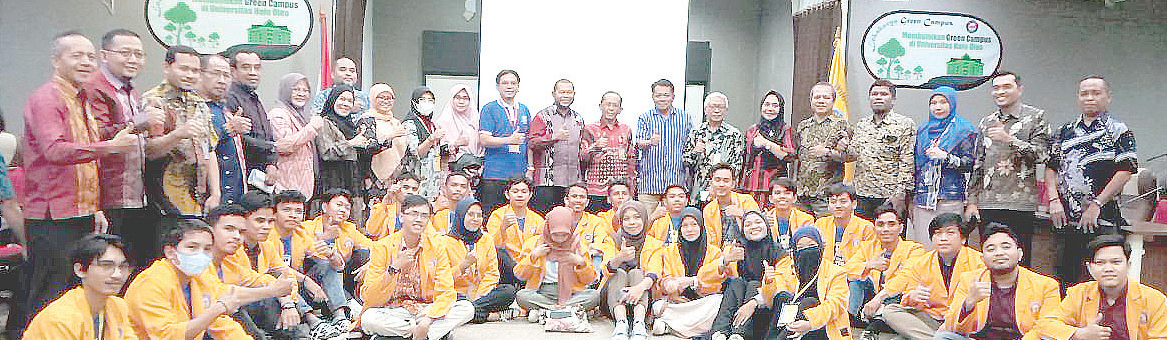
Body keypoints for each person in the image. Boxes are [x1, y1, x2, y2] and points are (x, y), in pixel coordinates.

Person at [19, 32, 139, 334]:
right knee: (48, 293)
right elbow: (55, 150)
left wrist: (95, 206)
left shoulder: (81, 96)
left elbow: (87, 161)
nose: (85, 62)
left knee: (74, 289)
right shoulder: (47, 99)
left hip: (80, 210)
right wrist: (109, 147)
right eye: (76, 56)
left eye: (89, 56)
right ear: (56, 61)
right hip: (51, 213)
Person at [1046, 75, 1136, 289]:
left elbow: (1126, 170)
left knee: (1103, 279)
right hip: (1065, 220)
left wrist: (1096, 204)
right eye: (1084, 93)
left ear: (1108, 97)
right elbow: (1051, 167)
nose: (1089, 98)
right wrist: (1053, 200)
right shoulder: (1064, 131)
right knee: (1064, 278)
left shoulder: (1118, 131)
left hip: (1102, 220)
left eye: (1096, 93)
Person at [124, 219, 273, 339]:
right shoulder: (151, 283)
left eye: (207, 249)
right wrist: (218, 309)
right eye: (192, 247)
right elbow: (167, 336)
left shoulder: (200, 279)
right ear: (171, 252)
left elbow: (221, 324)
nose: (201, 255)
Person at [965, 72, 1050, 269]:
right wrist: (972, 201)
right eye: (996, 88)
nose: (1000, 92)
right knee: (989, 258)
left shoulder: (1036, 117)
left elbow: (1042, 156)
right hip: (988, 202)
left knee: (1018, 258)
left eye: (1006, 86)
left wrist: (1010, 140)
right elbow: (978, 163)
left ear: (1019, 90)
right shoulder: (986, 122)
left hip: (1019, 203)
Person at [360, 195, 475, 340]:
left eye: (424, 215)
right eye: (414, 214)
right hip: (393, 310)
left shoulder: (436, 246)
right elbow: (369, 296)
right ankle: (426, 334)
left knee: (467, 308)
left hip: (425, 308)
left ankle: (411, 334)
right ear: (401, 217)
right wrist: (394, 268)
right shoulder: (382, 247)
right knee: (368, 318)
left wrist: (428, 320)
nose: (419, 219)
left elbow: (446, 290)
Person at [87, 29, 155, 268]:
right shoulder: (95, 88)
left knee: (129, 261)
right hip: (107, 194)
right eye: (125, 53)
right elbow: (95, 138)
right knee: (105, 262)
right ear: (104, 55)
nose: (133, 60)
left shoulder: (130, 90)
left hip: (133, 194)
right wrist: (142, 121)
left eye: (139, 54)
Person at [863, 213, 985, 340]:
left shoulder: (978, 261)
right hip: (933, 320)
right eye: (938, 234)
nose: (943, 238)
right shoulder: (922, 262)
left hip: (964, 321)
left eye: (950, 233)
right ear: (931, 239)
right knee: (890, 311)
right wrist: (913, 297)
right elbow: (908, 293)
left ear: (963, 238)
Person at [934, 223, 1061, 340]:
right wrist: (969, 303)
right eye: (991, 249)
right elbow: (951, 326)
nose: (999, 253)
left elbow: (1047, 327)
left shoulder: (1046, 285)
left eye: (1006, 247)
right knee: (943, 338)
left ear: (1020, 254)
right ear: (983, 259)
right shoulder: (969, 280)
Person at [141, 45, 221, 221]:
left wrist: (215, 193)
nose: (190, 75)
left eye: (195, 70)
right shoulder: (152, 101)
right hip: (162, 197)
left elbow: (210, 150)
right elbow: (148, 151)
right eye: (184, 69)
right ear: (166, 68)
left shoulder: (199, 104)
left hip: (198, 198)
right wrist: (178, 134)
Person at [1037, 234, 1167, 340]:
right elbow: (1046, 325)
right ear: (1090, 268)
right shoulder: (1079, 293)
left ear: (1128, 265)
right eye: (1100, 263)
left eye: (1116, 262)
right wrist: (1078, 334)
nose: (1108, 269)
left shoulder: (1154, 300)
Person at [204, 205, 298, 339]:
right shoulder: (197, 264)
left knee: (269, 299)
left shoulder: (229, 265)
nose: (236, 236)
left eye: (241, 232)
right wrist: (272, 291)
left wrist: (288, 304)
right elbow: (222, 294)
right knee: (235, 307)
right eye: (229, 229)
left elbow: (267, 280)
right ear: (209, 231)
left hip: (221, 326)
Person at [24, 234, 135, 339]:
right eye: (106, 265)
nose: (117, 274)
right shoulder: (61, 319)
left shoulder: (118, 306)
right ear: (80, 270)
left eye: (123, 266)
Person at [910, 86, 976, 247]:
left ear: (952, 104)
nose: (938, 107)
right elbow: (915, 166)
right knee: (924, 247)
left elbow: (969, 164)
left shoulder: (964, 130)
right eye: (933, 103)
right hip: (922, 200)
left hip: (950, 199)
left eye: (943, 102)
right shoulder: (923, 130)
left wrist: (946, 157)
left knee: (950, 246)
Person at [841, 204, 924, 332]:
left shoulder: (914, 249)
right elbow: (846, 271)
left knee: (897, 294)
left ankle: (876, 323)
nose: (886, 229)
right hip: (870, 298)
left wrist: (878, 298)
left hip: (894, 298)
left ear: (901, 228)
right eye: (880, 225)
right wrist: (869, 266)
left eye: (891, 224)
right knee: (856, 281)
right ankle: (850, 319)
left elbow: (906, 278)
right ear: (874, 229)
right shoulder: (867, 247)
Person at [759, 227, 850, 340]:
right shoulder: (788, 269)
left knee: (809, 301)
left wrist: (810, 323)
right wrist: (768, 282)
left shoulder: (836, 272)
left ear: (820, 247)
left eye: (811, 246)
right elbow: (771, 302)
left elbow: (835, 305)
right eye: (801, 248)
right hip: (790, 323)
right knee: (782, 297)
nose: (807, 251)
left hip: (821, 326)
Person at [647, 207, 725, 338]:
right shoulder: (670, 251)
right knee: (658, 306)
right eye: (685, 225)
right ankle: (690, 328)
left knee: (718, 301)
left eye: (694, 224)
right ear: (680, 229)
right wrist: (671, 288)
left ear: (701, 226)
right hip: (678, 303)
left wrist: (694, 281)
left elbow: (716, 286)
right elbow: (665, 279)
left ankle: (672, 327)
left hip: (702, 302)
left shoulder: (714, 252)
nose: (689, 230)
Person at [297, 188, 372, 321]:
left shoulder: (348, 229)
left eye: (347, 207)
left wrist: (369, 264)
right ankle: (346, 311)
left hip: (338, 281)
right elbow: (309, 252)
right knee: (326, 266)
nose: (343, 210)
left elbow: (375, 247)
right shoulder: (307, 228)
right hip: (309, 283)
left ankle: (355, 304)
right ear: (325, 207)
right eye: (339, 205)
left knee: (365, 255)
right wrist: (324, 238)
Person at [514, 207, 601, 320]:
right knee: (521, 296)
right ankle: (566, 311)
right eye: (555, 235)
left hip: (572, 293)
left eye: (564, 235)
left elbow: (589, 280)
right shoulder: (534, 244)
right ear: (548, 229)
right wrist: (533, 257)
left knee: (594, 296)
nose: (560, 239)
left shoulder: (578, 246)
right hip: (543, 293)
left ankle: (546, 312)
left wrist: (581, 263)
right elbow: (519, 274)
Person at [844, 80, 915, 220]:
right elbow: (852, 155)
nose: (878, 97)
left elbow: (907, 161)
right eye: (874, 94)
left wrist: (900, 194)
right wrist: (843, 147)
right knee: (864, 239)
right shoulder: (862, 124)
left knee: (891, 238)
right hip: (862, 194)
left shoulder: (905, 124)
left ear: (893, 100)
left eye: (883, 94)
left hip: (890, 196)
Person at [708, 211, 784, 340]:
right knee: (736, 282)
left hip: (765, 309)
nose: (754, 226)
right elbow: (705, 277)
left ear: (766, 225)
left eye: (758, 222)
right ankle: (719, 332)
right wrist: (726, 261)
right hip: (737, 305)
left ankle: (739, 334)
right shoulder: (736, 250)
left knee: (754, 284)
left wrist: (754, 302)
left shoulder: (778, 252)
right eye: (748, 224)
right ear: (743, 230)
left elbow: (785, 283)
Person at [442, 198, 517, 323]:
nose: (475, 219)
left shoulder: (486, 238)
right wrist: (463, 266)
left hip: (482, 293)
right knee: (446, 299)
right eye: (470, 214)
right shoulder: (444, 242)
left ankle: (470, 312)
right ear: (460, 216)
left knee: (508, 292)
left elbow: (492, 274)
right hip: (456, 293)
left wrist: (477, 296)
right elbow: (442, 278)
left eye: (479, 215)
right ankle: (488, 315)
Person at [603, 201, 665, 340]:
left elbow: (654, 272)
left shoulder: (654, 243)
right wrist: (620, 257)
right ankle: (621, 324)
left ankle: (638, 324)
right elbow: (606, 269)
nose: (632, 222)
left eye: (637, 217)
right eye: (626, 219)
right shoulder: (612, 240)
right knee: (619, 273)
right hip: (613, 300)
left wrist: (638, 288)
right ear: (621, 222)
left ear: (644, 219)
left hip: (642, 299)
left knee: (637, 273)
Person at [529, 79, 585, 216]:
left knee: (567, 221)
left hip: (572, 182)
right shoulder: (542, 116)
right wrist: (554, 137)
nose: (565, 96)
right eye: (562, 92)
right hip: (547, 181)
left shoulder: (578, 118)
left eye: (569, 92)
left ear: (574, 94)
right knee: (544, 221)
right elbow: (532, 143)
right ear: (554, 94)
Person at [634, 79, 692, 212]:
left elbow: (690, 144)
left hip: (675, 184)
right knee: (647, 224)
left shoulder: (684, 118)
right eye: (658, 95)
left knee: (673, 226)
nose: (662, 99)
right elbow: (639, 143)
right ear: (653, 97)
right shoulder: (645, 117)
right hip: (650, 184)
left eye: (666, 95)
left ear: (673, 97)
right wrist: (650, 142)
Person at [199, 54, 249, 206]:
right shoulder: (193, 107)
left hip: (232, 195)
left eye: (226, 75)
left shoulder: (224, 108)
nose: (222, 80)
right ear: (199, 74)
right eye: (215, 74)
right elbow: (202, 148)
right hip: (207, 197)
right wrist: (227, 131)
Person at [224, 51, 278, 191]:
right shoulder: (229, 97)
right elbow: (236, 138)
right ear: (232, 71)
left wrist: (271, 163)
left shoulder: (254, 98)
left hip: (260, 178)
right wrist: (269, 146)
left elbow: (267, 135)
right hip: (237, 177)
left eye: (257, 68)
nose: (253, 72)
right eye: (246, 67)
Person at [795, 83, 850, 218]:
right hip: (802, 194)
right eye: (817, 97)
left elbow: (852, 155)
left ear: (833, 101)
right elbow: (798, 158)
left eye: (826, 97)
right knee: (802, 233)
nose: (820, 101)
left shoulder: (842, 125)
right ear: (811, 100)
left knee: (825, 234)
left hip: (827, 196)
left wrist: (827, 153)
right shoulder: (803, 126)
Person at [478, 70, 529, 213]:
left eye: (513, 83)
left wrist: (530, 168)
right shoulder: (489, 108)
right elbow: (484, 140)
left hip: (518, 175)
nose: (509, 86)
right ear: (497, 86)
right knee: (493, 216)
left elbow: (528, 141)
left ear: (518, 87)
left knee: (516, 216)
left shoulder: (524, 110)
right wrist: (509, 140)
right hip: (495, 174)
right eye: (505, 83)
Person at [269, 73, 325, 199]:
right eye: (296, 89)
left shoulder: (304, 116)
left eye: (305, 90)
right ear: (286, 90)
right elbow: (285, 146)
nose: (301, 94)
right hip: (286, 185)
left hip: (304, 185)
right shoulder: (278, 114)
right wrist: (312, 127)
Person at [683, 92, 744, 206]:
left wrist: (719, 183)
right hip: (698, 189)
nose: (716, 110)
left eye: (720, 107)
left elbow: (737, 165)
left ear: (726, 112)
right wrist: (694, 152)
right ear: (706, 110)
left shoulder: (734, 134)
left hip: (723, 189)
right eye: (713, 107)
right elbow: (686, 162)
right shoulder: (696, 132)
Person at [582, 91, 637, 213]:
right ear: (601, 106)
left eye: (615, 105)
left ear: (620, 109)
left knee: (619, 225)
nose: (611, 108)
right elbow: (582, 157)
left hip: (620, 192)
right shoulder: (590, 129)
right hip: (596, 191)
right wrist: (595, 146)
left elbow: (631, 161)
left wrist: (631, 190)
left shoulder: (626, 130)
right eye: (608, 104)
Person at [314, 85, 370, 204]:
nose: (345, 104)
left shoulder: (353, 126)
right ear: (333, 100)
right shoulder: (325, 122)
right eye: (342, 99)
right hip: (332, 184)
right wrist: (351, 143)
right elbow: (326, 153)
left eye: (350, 101)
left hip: (353, 185)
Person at [487, 178, 546, 286]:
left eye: (524, 192)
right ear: (507, 194)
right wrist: (503, 228)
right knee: (498, 253)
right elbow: (492, 245)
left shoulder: (538, 219)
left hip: (528, 262)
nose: (520, 195)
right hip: (507, 262)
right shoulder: (497, 215)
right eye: (515, 191)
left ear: (530, 195)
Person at [741, 90, 796, 206]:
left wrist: (767, 144)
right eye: (766, 105)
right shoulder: (752, 130)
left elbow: (790, 156)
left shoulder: (785, 130)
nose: (770, 109)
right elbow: (745, 158)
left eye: (775, 106)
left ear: (780, 109)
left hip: (773, 188)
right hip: (750, 186)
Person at [361, 83, 411, 199]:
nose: (385, 101)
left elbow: (404, 152)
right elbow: (368, 147)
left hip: (394, 177)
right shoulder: (367, 120)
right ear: (373, 98)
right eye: (381, 97)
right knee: (376, 212)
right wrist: (389, 136)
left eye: (389, 98)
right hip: (372, 176)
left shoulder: (396, 123)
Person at [813, 184, 875, 267]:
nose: (838, 206)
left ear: (854, 204)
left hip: (855, 275)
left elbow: (868, 258)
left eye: (843, 201)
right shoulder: (820, 224)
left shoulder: (866, 228)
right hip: (826, 274)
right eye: (833, 202)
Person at [402, 86, 444, 200]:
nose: (427, 103)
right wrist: (431, 139)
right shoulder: (410, 123)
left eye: (430, 100)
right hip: (417, 180)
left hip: (432, 181)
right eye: (423, 100)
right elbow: (417, 153)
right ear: (414, 102)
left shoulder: (431, 125)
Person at [703, 164, 760, 247]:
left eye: (726, 180)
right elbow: (711, 243)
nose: (721, 184)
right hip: (723, 254)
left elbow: (759, 228)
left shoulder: (746, 201)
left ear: (733, 184)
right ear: (711, 183)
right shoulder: (708, 210)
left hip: (750, 249)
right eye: (717, 180)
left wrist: (742, 215)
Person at [763, 177, 815, 254]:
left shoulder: (806, 219)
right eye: (777, 193)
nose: (782, 196)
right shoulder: (764, 219)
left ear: (794, 198)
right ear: (771, 198)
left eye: (787, 193)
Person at [366, 173, 421, 240]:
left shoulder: (421, 212)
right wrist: (384, 204)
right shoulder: (384, 208)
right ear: (396, 187)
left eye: (414, 189)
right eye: (405, 187)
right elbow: (371, 231)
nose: (410, 192)